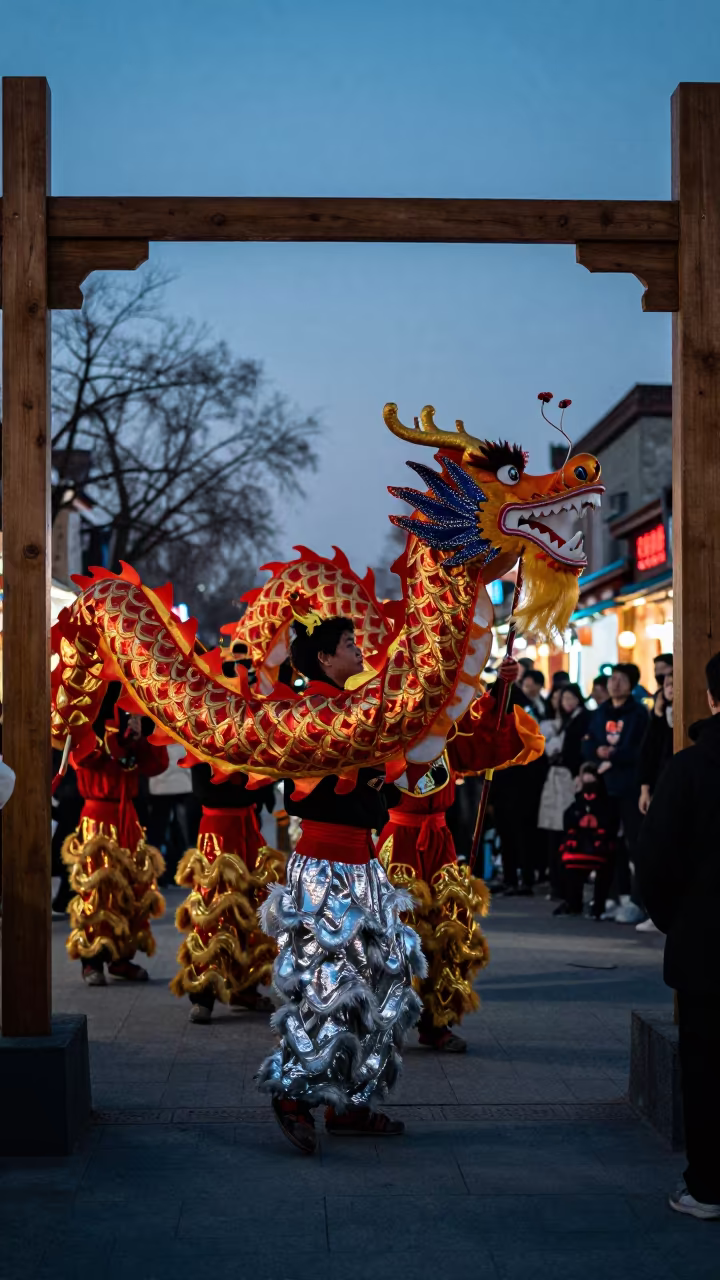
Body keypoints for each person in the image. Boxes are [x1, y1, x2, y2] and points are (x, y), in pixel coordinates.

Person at [256, 609, 426, 1154]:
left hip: (363, 864)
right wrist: (367, 775)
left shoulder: (355, 712)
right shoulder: (308, 713)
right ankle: (292, 1093)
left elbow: (382, 794)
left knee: (380, 981)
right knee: (327, 985)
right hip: (325, 866)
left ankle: (352, 1101)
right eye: (350, 645)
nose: (359, 651)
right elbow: (308, 792)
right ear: (324, 658)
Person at [376, 656, 542, 1053]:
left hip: (441, 842)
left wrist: (503, 689)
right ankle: (386, 1022)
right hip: (397, 840)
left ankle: (438, 1022)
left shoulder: (450, 727)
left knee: (449, 928)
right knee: (393, 932)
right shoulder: (385, 724)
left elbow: (486, 738)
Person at [637, 651, 720, 1221]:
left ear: (712, 698)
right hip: (700, 937)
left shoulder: (690, 768)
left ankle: (709, 1186)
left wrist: (678, 920)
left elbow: (654, 862)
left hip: (707, 946)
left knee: (709, 1067)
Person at [62, 684, 168, 985]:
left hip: (129, 819)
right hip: (97, 818)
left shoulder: (134, 711)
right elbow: (82, 758)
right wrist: (117, 740)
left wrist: (144, 733)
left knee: (133, 889)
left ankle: (122, 957)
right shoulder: (85, 713)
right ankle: (92, 960)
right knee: (97, 892)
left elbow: (156, 765)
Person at [582, 663, 648, 923]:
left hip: (630, 787)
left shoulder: (639, 714)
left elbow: (643, 750)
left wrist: (616, 755)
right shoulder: (600, 712)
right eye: (612, 679)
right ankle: (606, 899)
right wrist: (597, 753)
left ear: (631, 684)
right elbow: (587, 744)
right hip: (603, 787)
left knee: (636, 845)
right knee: (605, 844)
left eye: (621, 679)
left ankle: (636, 901)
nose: (615, 684)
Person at [537, 684, 591, 894]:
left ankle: (566, 883)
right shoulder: (557, 723)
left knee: (567, 829)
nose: (566, 702)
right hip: (557, 778)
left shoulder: (581, 719)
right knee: (555, 831)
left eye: (570, 698)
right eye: (563, 699)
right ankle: (558, 882)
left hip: (569, 778)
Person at [554, 762, 618, 918]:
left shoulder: (600, 804)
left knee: (602, 863)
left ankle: (587, 904)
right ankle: (579, 903)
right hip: (586, 848)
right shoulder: (579, 804)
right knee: (569, 863)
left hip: (592, 849)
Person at [639, 670, 674, 816]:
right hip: (659, 781)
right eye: (667, 685)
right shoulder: (657, 717)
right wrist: (645, 790)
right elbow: (648, 754)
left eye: (673, 684)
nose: (670, 688)